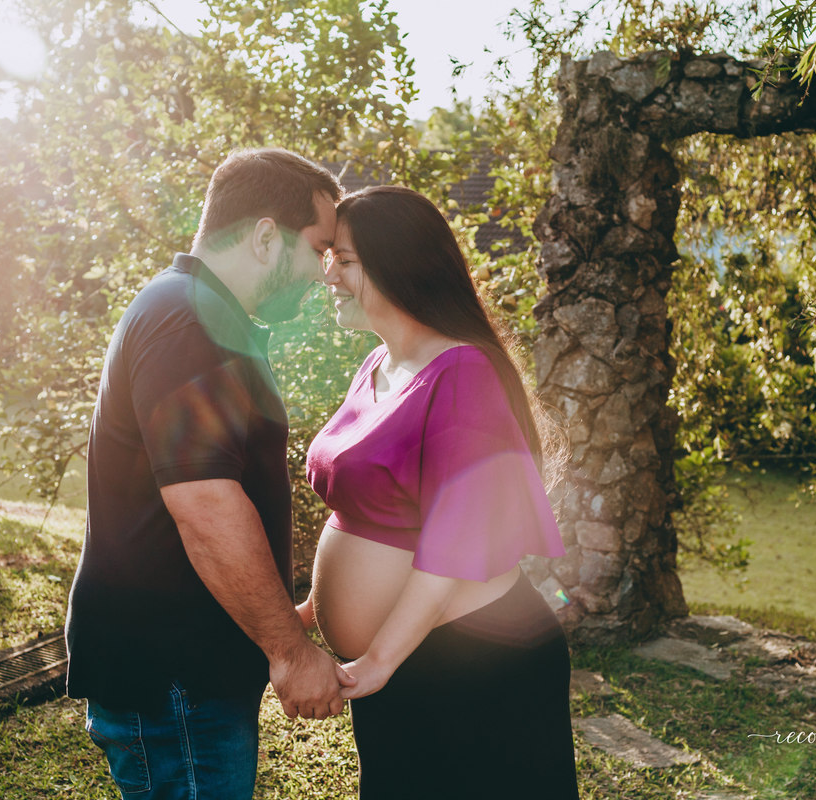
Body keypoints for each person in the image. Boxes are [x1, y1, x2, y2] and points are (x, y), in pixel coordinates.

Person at [64, 148, 354, 800]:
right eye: (319, 247)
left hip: (185, 674)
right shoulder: (188, 317)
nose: (325, 269)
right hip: (174, 680)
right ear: (263, 237)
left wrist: (287, 615)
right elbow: (206, 504)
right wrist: (289, 652)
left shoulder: (199, 311)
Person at [300, 185, 580, 799]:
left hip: (472, 661)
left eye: (344, 260)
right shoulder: (378, 364)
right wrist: (312, 610)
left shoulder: (463, 371)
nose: (329, 274)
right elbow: (370, 508)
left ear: (399, 264)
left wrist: (378, 660)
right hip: (407, 659)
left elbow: (457, 539)